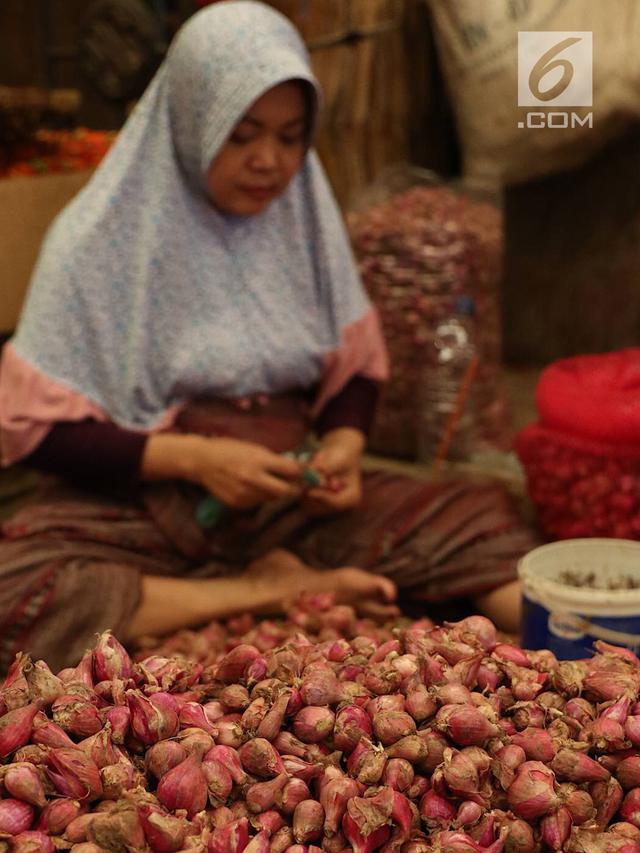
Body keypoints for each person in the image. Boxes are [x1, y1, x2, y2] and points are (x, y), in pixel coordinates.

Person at [0, 0, 534, 671]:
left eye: (289, 136)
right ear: (191, 119)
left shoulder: (303, 215)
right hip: (143, 505)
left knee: (484, 516)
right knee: (14, 584)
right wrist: (195, 459)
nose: (269, 161)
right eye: (242, 133)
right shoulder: (98, 238)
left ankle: (580, 643)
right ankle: (261, 590)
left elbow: (354, 366)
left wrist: (342, 444)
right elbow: (36, 430)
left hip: (286, 495)